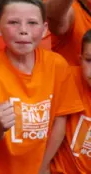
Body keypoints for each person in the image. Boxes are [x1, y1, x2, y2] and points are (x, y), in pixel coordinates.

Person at [0, 0, 84, 174]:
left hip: (34, 167)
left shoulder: (57, 64)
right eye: (13, 22)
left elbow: (59, 122)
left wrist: (43, 165)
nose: (23, 30)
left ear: (45, 29)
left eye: (32, 23)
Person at [50, 31, 91, 173]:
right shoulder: (70, 78)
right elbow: (57, 126)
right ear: (80, 59)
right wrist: (42, 168)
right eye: (89, 60)